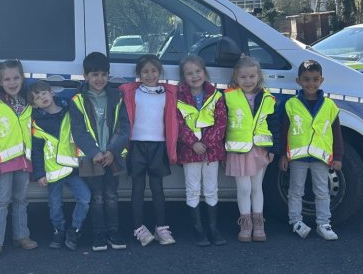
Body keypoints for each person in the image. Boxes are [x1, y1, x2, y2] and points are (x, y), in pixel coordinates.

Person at [69, 52, 131, 252]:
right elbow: (78, 131)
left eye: (104, 74)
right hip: (92, 159)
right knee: (97, 197)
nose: (99, 79)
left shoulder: (117, 97)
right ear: (85, 76)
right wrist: (94, 152)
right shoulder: (78, 100)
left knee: (112, 195)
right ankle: (98, 234)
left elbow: (124, 127)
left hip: (113, 157)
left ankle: (113, 232)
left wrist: (112, 150)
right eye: (94, 74)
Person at [278, 59, 342, 241]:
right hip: (297, 158)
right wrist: (283, 154)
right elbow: (284, 132)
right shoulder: (291, 104)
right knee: (295, 190)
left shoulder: (330, 106)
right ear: (299, 81)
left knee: (322, 191)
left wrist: (338, 156)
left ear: (321, 80)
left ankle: (323, 223)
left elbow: (336, 133)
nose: (310, 84)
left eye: (315, 79)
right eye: (306, 79)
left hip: (320, 158)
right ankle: (295, 221)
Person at [118, 54, 178, 247]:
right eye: (145, 71)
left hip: (158, 146)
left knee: (157, 189)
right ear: (138, 74)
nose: (150, 75)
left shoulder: (168, 94)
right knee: (137, 189)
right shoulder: (131, 92)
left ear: (160, 72)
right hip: (136, 146)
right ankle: (139, 229)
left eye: (154, 71)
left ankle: (161, 227)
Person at [0, 59, 38, 259]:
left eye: (16, 78)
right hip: (4, 164)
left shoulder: (29, 104)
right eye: (7, 79)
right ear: (0, 81)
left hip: (24, 162)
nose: (12, 82)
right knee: (1, 201)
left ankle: (21, 236)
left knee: (21, 200)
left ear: (22, 79)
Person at [28, 80, 91, 251]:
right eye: (37, 98)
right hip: (53, 172)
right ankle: (59, 231)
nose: (42, 98)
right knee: (54, 205)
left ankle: (75, 229)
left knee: (85, 198)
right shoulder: (37, 124)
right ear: (34, 105)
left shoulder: (69, 111)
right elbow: (37, 151)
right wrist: (40, 174)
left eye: (44, 93)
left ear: (52, 93)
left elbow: (81, 97)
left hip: (72, 168)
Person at [224, 56, 279, 243]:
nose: (248, 81)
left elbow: (273, 123)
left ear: (259, 76)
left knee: (257, 187)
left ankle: (259, 223)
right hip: (238, 150)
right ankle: (245, 223)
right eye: (243, 77)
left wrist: (273, 148)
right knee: (244, 188)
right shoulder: (229, 96)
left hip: (259, 149)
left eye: (251, 76)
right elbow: (223, 124)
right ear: (236, 78)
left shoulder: (267, 97)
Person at [176, 55, 227, 247]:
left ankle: (213, 229)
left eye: (198, 71)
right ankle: (198, 230)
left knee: (212, 189)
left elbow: (221, 123)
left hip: (211, 152)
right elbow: (178, 124)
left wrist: (206, 143)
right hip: (190, 152)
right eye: (189, 73)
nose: (194, 76)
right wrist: (193, 143)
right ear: (183, 77)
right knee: (193, 189)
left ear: (205, 73)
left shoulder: (216, 96)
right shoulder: (179, 98)